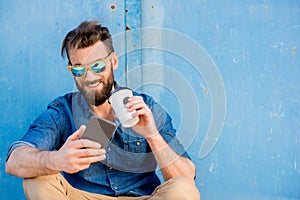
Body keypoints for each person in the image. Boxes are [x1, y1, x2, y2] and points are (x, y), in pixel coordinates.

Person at [5, 20, 200, 200]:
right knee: (36, 181)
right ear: (71, 71)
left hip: (142, 197)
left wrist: (152, 135)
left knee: (182, 189)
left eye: (97, 66)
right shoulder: (63, 111)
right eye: (79, 70)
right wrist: (57, 159)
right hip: (84, 196)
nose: (89, 77)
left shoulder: (145, 107)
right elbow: (14, 161)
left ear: (113, 61)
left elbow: (186, 178)